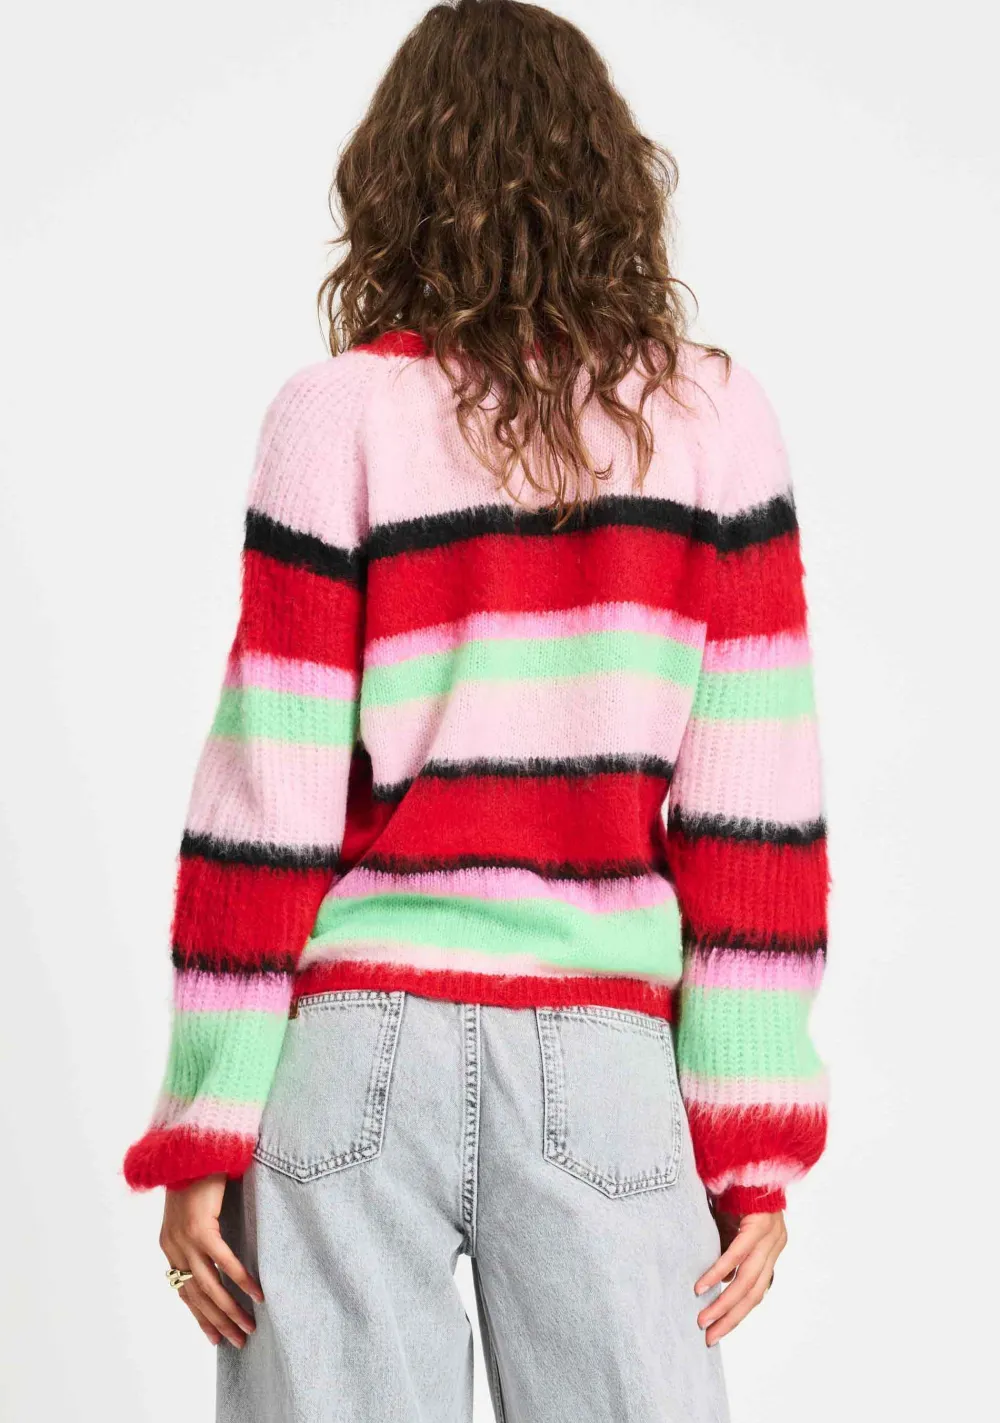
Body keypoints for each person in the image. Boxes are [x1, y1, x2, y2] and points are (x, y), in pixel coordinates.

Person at [123, 2, 828, 1418]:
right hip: (602, 1053)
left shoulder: (335, 415)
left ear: (393, 187)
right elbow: (756, 805)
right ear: (611, 181)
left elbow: (268, 790)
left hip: (348, 1050)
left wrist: (207, 1111)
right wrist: (752, 1139)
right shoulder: (714, 420)